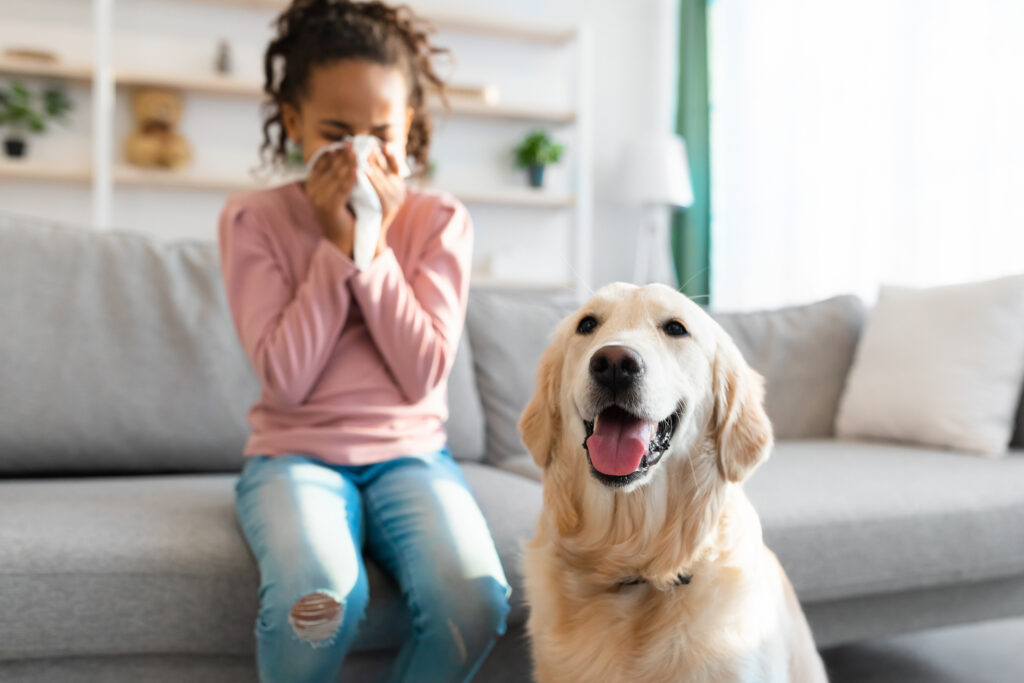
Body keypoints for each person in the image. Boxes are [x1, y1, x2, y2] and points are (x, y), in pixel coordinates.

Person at [217, 2, 510, 681]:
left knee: (474, 597)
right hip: (295, 455)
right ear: (294, 125)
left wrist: (370, 252)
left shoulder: (439, 221)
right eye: (336, 131)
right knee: (317, 598)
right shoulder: (252, 219)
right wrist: (332, 246)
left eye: (382, 132)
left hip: (412, 456)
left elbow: (423, 372)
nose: (361, 152)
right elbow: (285, 378)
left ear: (410, 128)